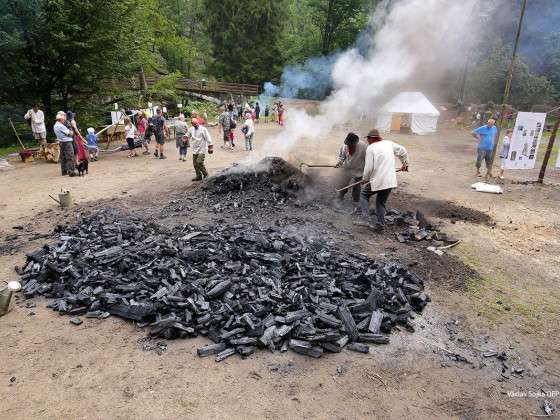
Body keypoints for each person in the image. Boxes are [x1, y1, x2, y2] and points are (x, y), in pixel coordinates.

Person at [361, 129, 409, 232]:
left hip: (378, 179)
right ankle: (380, 225)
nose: (367, 141)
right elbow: (403, 151)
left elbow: (369, 167)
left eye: (368, 139)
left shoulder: (370, 148)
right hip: (390, 180)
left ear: (371, 139)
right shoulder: (389, 144)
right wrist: (405, 164)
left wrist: (365, 179)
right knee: (380, 202)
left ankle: (365, 218)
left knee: (364, 195)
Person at [335, 132, 368, 203]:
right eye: (348, 144)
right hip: (348, 168)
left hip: (359, 169)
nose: (349, 146)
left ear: (356, 143)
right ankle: (340, 196)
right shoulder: (344, 146)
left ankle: (356, 200)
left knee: (356, 186)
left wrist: (367, 172)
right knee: (343, 182)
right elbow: (342, 156)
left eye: (351, 144)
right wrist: (340, 162)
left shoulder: (364, 147)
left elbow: (368, 160)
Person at [53, 111, 76, 177]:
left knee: (63, 157)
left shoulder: (55, 126)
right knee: (70, 156)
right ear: (60, 119)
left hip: (61, 142)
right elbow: (70, 134)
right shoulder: (61, 126)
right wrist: (72, 131)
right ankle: (71, 171)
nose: (64, 121)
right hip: (67, 142)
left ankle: (64, 171)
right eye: (63, 119)